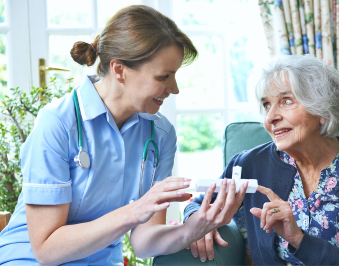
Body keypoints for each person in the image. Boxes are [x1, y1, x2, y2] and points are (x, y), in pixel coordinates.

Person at [0, 5, 248, 265]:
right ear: (119, 69)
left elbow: (143, 243)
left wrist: (193, 228)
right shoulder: (58, 123)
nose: (174, 89)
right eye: (164, 77)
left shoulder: (160, 134)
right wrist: (135, 211)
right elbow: (46, 249)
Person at [184, 54, 339, 265]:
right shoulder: (248, 164)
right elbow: (197, 205)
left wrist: (298, 239)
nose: (270, 118)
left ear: (322, 109)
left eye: (286, 101)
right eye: (267, 105)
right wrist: (200, 225)